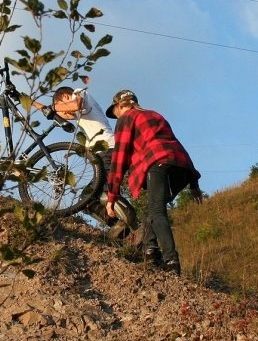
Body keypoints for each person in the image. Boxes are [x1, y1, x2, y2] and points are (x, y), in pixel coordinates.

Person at [104, 90, 202, 275]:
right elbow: (176, 143)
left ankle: (171, 261)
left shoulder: (127, 118)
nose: (116, 115)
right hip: (181, 167)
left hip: (158, 162)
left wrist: (112, 196)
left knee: (157, 212)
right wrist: (194, 184)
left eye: (115, 110)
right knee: (152, 209)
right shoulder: (155, 115)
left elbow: (119, 157)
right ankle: (150, 252)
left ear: (122, 105)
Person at [32, 87, 139, 236]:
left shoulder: (80, 93)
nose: (63, 113)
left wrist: (54, 107)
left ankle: (136, 224)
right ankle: (120, 229)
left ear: (65, 96)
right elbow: (54, 113)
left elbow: (76, 104)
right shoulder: (81, 116)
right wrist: (32, 103)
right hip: (100, 154)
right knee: (86, 200)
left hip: (108, 149)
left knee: (107, 192)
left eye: (61, 105)